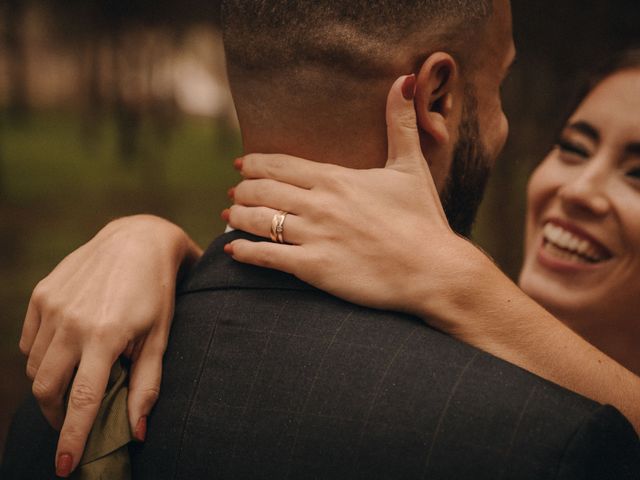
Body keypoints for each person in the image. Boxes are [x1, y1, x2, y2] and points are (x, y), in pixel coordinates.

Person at [3, 1, 640, 478]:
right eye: (497, 86)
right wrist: (152, 237)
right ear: (437, 98)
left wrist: (462, 282)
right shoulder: (549, 444)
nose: (580, 191)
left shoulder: (62, 387)